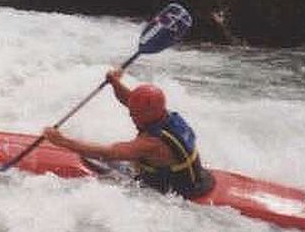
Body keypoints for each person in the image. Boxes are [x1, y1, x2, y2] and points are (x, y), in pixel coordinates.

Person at [42, 71, 215, 199]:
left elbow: (108, 152)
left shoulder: (150, 142)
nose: (131, 116)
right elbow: (130, 100)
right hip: (197, 179)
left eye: (134, 114)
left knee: (98, 162)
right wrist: (115, 83)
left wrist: (62, 141)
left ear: (146, 114)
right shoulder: (165, 115)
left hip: (172, 191)